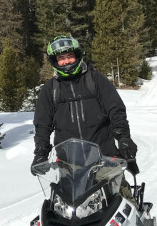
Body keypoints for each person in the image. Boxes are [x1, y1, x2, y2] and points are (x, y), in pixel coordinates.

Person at [32, 35, 139, 179]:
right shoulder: (50, 89)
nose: (66, 61)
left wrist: (124, 139)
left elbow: (116, 111)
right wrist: (40, 153)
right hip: (69, 163)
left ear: (77, 55)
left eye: (70, 56)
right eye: (61, 58)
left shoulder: (95, 79)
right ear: (55, 61)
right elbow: (42, 124)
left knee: (119, 196)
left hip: (105, 158)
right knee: (62, 200)